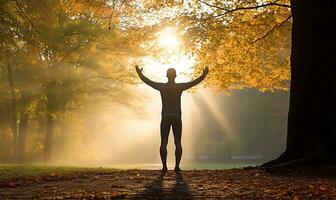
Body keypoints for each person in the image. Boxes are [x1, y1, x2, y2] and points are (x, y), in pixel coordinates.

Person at [135, 65, 209, 172]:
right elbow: (193, 82)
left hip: (165, 116)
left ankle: (164, 167)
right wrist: (204, 75)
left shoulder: (162, 87)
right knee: (178, 142)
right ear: (175, 76)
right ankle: (177, 167)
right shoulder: (179, 87)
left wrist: (140, 74)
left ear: (166, 76)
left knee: (163, 141)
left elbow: (148, 82)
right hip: (177, 116)